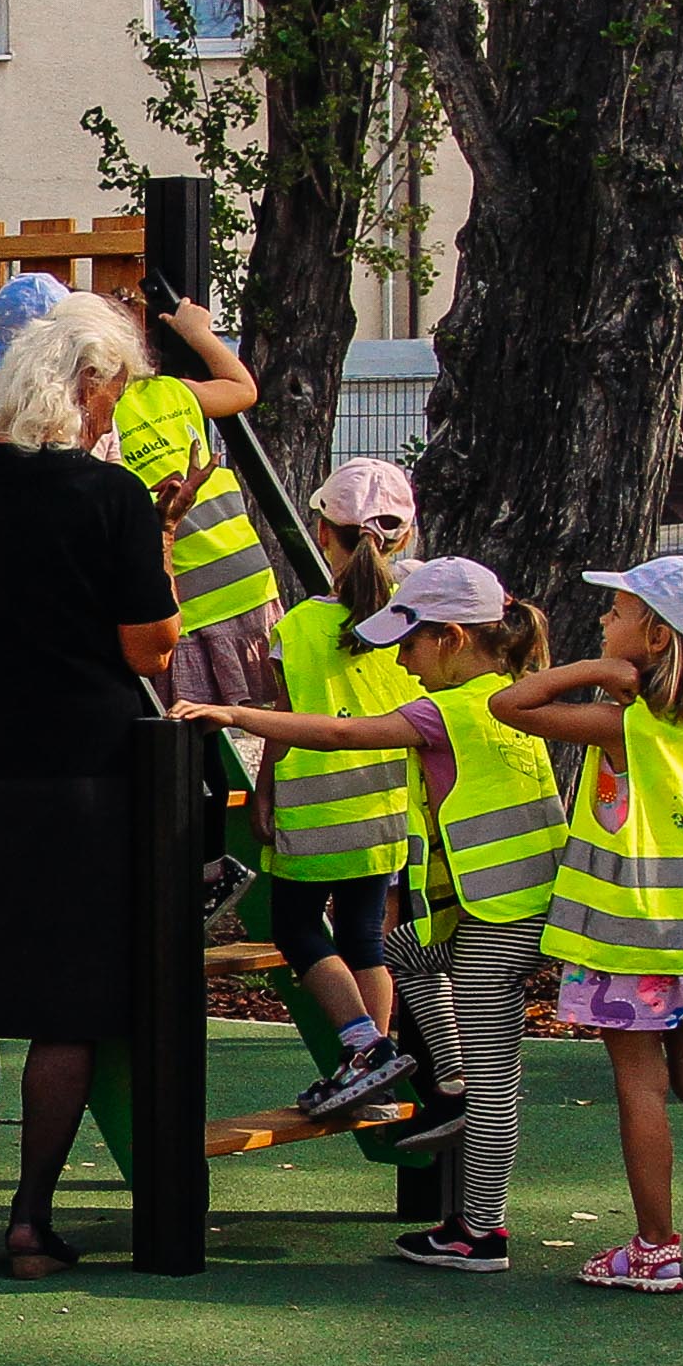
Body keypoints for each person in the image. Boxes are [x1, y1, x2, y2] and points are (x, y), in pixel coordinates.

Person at [0, 289, 176, 1277]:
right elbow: (146, 647)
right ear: (84, 383)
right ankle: (31, 1219)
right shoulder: (113, 496)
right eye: (112, 393)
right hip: (78, 762)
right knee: (66, 1003)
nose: (113, 414)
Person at [189, 557, 563, 1273]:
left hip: (496, 919)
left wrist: (234, 714)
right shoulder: (509, 696)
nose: (400, 659)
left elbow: (337, 734)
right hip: (508, 909)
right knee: (397, 952)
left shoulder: (446, 711)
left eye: (410, 643)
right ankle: (449, 1083)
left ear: (452, 638)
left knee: (496, 1088)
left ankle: (480, 1231)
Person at [498, 554, 683, 1291]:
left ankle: (653, 1247)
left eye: (616, 613)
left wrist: (591, 668)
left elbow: (509, 705)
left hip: (628, 936)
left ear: (655, 636)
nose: (602, 619)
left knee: (639, 1085)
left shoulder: (625, 724)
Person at [246, 456, 427, 1124]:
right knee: (363, 936)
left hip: (314, 810)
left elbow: (286, 717)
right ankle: (370, 1067)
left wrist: (264, 789)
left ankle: (363, 1045)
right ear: (403, 537)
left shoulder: (298, 627)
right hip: (387, 806)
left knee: (294, 928)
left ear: (323, 533)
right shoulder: (415, 620)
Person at [88, 276, 273, 711]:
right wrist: (199, 334)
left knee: (190, 722)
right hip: (248, 578)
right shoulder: (172, 390)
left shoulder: (96, 415)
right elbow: (243, 389)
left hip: (189, 599)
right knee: (250, 714)